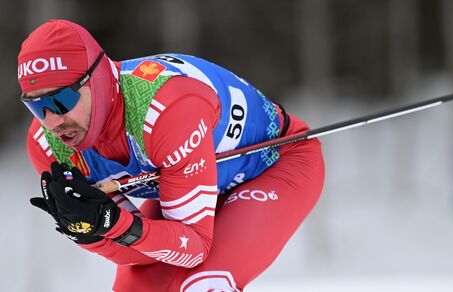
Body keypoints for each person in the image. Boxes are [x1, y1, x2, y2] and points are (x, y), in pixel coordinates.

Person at [18, 19, 325, 291]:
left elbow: (193, 247)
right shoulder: (48, 145)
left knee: (204, 284)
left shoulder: (164, 110)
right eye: (36, 106)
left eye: (61, 100)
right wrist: (94, 232)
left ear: (96, 79)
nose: (52, 121)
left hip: (274, 164)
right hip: (189, 180)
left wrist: (114, 225)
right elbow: (141, 250)